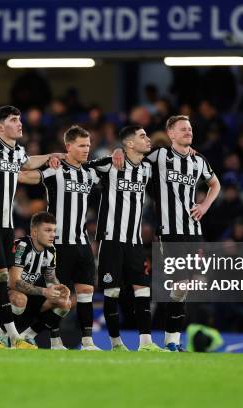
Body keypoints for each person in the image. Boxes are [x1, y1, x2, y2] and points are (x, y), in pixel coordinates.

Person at [0, 105, 64, 349]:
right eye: (14, 120)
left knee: (0, 280)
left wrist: (50, 158)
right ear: (0, 126)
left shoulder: (16, 152)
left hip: (6, 224)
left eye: (20, 119)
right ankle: (3, 336)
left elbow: (27, 163)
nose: (20, 124)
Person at [18, 125, 105, 350]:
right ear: (68, 146)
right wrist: (7, 169)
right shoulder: (55, 169)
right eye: (81, 145)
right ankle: (48, 338)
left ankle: (87, 341)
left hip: (82, 243)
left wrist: (116, 154)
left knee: (86, 293)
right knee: (60, 297)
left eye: (88, 145)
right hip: (58, 245)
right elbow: (29, 176)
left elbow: (111, 168)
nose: (87, 149)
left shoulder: (90, 172)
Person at [144, 115, 220, 351]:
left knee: (186, 287)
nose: (188, 132)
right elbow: (133, 157)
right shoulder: (159, 156)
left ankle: (173, 341)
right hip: (170, 232)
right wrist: (119, 152)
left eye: (189, 128)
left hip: (193, 232)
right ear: (171, 134)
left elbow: (215, 184)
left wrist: (205, 206)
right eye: (183, 129)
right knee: (181, 284)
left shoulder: (199, 160)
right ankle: (171, 340)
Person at [89, 125, 164, 351]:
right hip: (111, 240)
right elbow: (80, 169)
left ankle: (146, 343)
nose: (148, 139)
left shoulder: (148, 168)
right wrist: (115, 151)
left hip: (135, 242)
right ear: (129, 143)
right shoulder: (109, 164)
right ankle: (115, 343)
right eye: (143, 136)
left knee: (142, 290)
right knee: (112, 292)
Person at [8, 212, 71, 349]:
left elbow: (50, 278)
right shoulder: (22, 246)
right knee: (20, 299)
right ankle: (4, 336)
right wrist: (44, 291)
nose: (53, 235)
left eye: (54, 231)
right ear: (35, 232)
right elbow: (13, 282)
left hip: (32, 296)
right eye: (48, 230)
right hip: (7, 297)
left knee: (64, 303)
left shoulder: (51, 250)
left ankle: (27, 336)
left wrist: (59, 288)